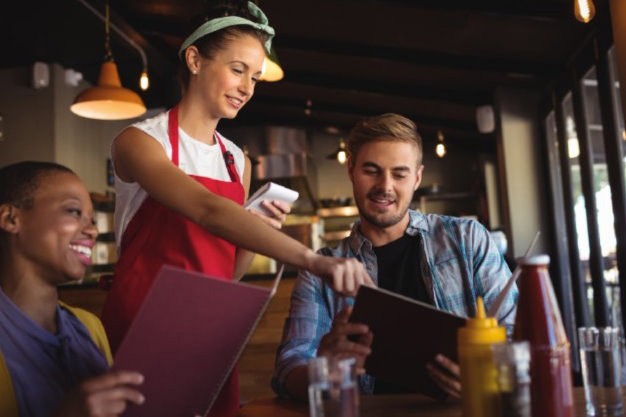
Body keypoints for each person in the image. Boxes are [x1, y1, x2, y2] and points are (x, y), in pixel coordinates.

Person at [100, 2, 372, 416]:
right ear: (194, 59)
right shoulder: (141, 142)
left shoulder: (236, 160)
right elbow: (207, 210)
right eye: (238, 69)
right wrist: (312, 260)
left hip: (210, 330)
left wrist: (254, 226)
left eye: (255, 77)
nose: (248, 87)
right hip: (145, 323)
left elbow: (228, 272)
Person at [272, 113, 518, 401]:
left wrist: (483, 374)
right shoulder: (320, 269)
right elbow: (289, 368)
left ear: (417, 178)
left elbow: (516, 335)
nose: (385, 186)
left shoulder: (468, 239)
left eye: (399, 174)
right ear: (351, 169)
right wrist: (323, 370)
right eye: (371, 170)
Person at [0, 161, 144, 417]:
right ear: (11, 219)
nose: (92, 230)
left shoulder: (89, 327)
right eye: (74, 212)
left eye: (91, 219)